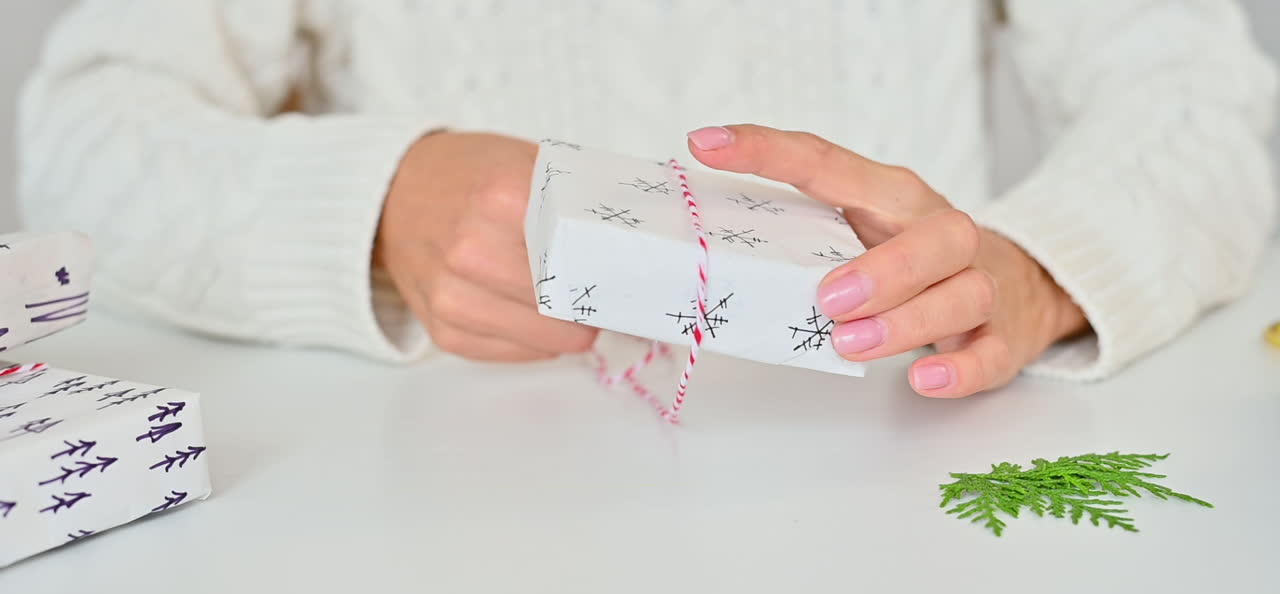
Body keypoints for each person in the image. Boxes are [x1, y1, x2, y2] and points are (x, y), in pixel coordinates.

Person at [16, 0, 1276, 398]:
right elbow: (84, 127)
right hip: (438, 516)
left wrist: (1035, 267)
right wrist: (375, 198)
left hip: (895, 470)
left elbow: (1197, 92)